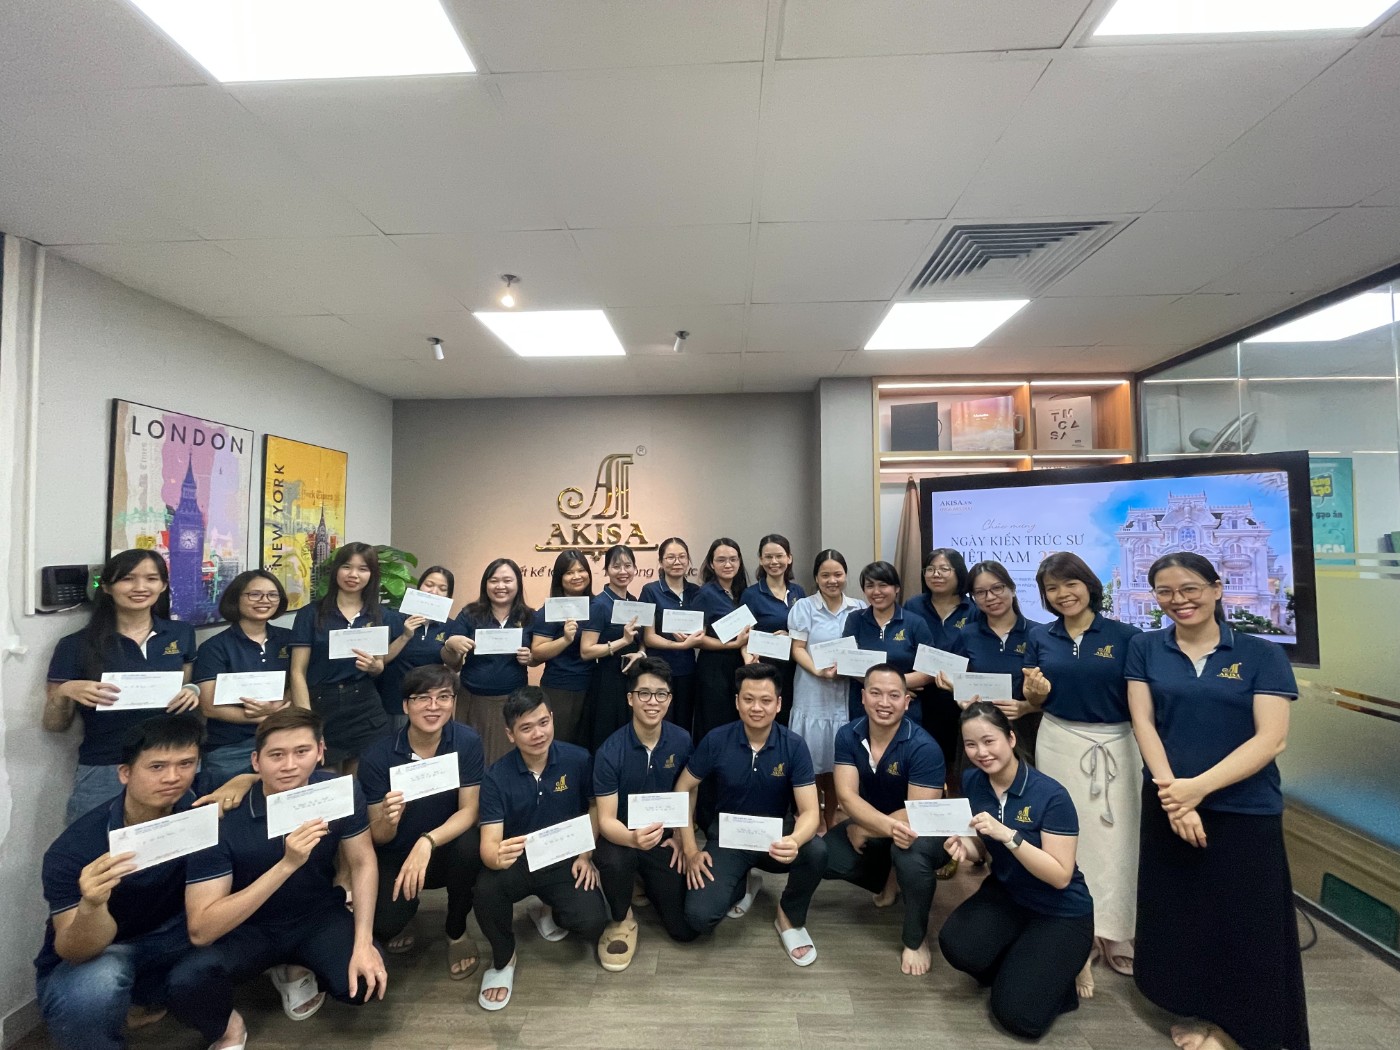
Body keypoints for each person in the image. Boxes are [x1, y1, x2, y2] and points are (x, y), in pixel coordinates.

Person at [1126, 552, 1308, 1050]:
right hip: (1168, 802)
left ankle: (1240, 1027)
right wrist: (1174, 796)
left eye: (1189, 588)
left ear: (1216, 588)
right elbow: (1144, 722)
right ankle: (1196, 1010)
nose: (1178, 600)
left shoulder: (1261, 653)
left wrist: (1197, 789)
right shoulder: (1145, 647)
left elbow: (1271, 739)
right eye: (1165, 592)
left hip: (1243, 809)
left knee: (1246, 922)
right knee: (1183, 915)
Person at [35, 715, 250, 1050]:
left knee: (232, 934)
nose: (173, 777)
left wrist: (244, 781)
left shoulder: (197, 799)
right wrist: (92, 905)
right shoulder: (75, 849)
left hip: (176, 935)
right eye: (156, 767)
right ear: (125, 773)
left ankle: (215, 1018)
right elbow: (74, 951)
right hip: (104, 950)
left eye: (185, 764)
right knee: (91, 988)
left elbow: (269, 774)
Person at [184, 708, 387, 1026]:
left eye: (302, 752)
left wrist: (363, 942)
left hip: (316, 916)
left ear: (321, 751)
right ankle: (235, 1017)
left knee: (364, 984)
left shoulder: (338, 791)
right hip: (248, 927)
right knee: (187, 979)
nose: (290, 765)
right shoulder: (223, 816)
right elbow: (201, 931)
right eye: (276, 755)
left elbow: (362, 862)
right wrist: (286, 865)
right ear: (256, 761)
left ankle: (298, 965)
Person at [1022, 551, 1143, 995]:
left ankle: (1118, 930)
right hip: (1059, 740)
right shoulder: (1042, 636)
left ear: (1089, 585)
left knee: (1119, 837)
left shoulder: (1127, 637)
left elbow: (1140, 699)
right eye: (1052, 588)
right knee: (1066, 837)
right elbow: (1035, 700)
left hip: (1116, 744)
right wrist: (1035, 693)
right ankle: (1081, 929)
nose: (1062, 594)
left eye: (1069, 584)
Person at [938, 703, 1095, 1039]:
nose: (981, 753)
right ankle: (1027, 965)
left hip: (1059, 910)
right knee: (957, 945)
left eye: (989, 741)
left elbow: (1060, 876)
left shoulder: (1051, 795)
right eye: (971, 745)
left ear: (1010, 738)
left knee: (1018, 1017)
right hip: (1009, 895)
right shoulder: (973, 780)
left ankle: (1063, 972)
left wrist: (1010, 836)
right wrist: (966, 848)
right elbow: (983, 847)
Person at [675, 663, 827, 967]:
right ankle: (744, 883)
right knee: (699, 917)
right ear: (737, 701)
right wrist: (690, 849)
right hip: (728, 839)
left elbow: (810, 811)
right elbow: (683, 788)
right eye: (748, 699)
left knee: (817, 851)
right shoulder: (717, 740)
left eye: (765, 700)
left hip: (776, 840)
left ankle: (789, 917)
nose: (756, 707)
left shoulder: (794, 746)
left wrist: (795, 840)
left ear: (779, 704)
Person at [474, 687, 609, 1011]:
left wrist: (586, 854)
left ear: (552, 719)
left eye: (543, 722)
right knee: (486, 890)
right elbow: (489, 843)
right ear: (510, 734)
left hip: (565, 857)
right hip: (520, 860)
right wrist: (495, 856)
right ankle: (503, 960)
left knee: (592, 923)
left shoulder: (578, 759)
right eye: (526, 728)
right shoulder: (495, 776)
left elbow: (594, 807)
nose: (538, 734)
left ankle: (546, 909)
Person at [44, 549, 200, 824]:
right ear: (107, 587)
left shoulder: (181, 633)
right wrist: (65, 691)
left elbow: (186, 685)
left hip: (173, 761)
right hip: (107, 764)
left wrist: (192, 692)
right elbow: (54, 725)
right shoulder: (75, 645)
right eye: (128, 579)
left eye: (151, 578)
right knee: (98, 842)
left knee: (175, 839)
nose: (140, 587)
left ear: (163, 585)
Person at [357, 664, 484, 978]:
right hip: (397, 854)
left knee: (471, 846)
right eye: (422, 698)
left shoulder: (467, 741)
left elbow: (469, 811)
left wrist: (427, 842)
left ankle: (456, 931)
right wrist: (388, 820)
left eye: (443, 697)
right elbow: (378, 837)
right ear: (405, 705)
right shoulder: (377, 757)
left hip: (445, 848)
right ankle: (405, 914)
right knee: (385, 924)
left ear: (453, 702)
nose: (433, 706)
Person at [825, 665, 948, 976]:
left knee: (910, 855)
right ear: (863, 697)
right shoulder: (848, 734)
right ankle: (888, 879)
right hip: (883, 822)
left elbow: (919, 811)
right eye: (876, 693)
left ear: (907, 702)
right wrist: (876, 827)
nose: (884, 702)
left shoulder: (924, 747)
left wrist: (867, 829)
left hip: (925, 832)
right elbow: (847, 797)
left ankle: (915, 939)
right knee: (823, 855)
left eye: (894, 695)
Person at [592, 657, 699, 971]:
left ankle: (640, 880)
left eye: (661, 694)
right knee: (614, 860)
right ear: (630, 699)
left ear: (670, 699)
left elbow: (689, 791)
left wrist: (681, 835)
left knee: (685, 929)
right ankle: (621, 917)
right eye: (644, 694)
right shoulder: (610, 751)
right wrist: (632, 839)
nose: (653, 702)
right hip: (621, 837)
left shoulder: (681, 740)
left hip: (661, 838)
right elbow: (605, 819)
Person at [289, 542, 403, 772]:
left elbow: (379, 664)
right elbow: (297, 672)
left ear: (372, 575)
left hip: (364, 705)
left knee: (363, 780)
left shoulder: (381, 616)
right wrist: (307, 722)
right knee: (324, 781)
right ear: (336, 570)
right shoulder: (310, 614)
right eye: (347, 567)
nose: (353, 575)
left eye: (363, 569)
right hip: (321, 704)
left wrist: (375, 667)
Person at [788, 548, 866, 832]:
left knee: (838, 760)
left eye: (838, 574)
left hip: (845, 693)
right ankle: (813, 817)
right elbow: (797, 648)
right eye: (825, 575)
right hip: (813, 691)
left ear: (845, 575)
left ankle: (832, 817)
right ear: (816, 578)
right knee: (811, 758)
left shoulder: (859, 608)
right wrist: (818, 671)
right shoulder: (804, 607)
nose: (832, 580)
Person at [194, 570, 293, 783]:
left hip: (283, 739)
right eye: (254, 594)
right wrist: (265, 717)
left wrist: (278, 708)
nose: (264, 600)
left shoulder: (289, 639)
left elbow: (298, 681)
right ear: (236, 598)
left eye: (272, 595)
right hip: (231, 746)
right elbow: (209, 706)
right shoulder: (214, 647)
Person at [945, 560, 1045, 761]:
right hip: (979, 732)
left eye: (997, 588)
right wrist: (959, 696)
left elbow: (1054, 691)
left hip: (1025, 732)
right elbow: (958, 679)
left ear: (1012, 589)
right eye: (980, 592)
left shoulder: (1038, 633)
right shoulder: (967, 635)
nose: (990, 597)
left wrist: (1026, 706)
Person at [445, 558, 535, 765]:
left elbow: (538, 653)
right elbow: (451, 661)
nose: (500, 586)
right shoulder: (470, 614)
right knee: (471, 757)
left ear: (518, 583)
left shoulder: (529, 616)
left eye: (507, 580)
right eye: (494, 580)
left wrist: (531, 658)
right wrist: (451, 644)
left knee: (508, 759)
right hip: (473, 698)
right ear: (485, 584)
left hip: (512, 700)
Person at [903, 547, 976, 782]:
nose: (936, 574)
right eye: (930, 569)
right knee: (921, 763)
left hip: (959, 699)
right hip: (921, 698)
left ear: (959, 573)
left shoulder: (973, 610)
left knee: (958, 767)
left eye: (944, 569)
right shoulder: (913, 606)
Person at [840, 561, 934, 721]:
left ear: (896, 588)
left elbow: (930, 670)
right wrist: (894, 688)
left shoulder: (915, 623)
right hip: (864, 708)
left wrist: (892, 689)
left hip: (905, 709)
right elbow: (849, 665)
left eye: (883, 585)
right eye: (870, 586)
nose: (876, 591)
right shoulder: (855, 620)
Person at [377, 566, 464, 731]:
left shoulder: (450, 626)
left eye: (442, 589)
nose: (434, 592)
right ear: (419, 587)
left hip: (433, 704)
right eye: (429, 585)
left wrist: (452, 648)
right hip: (396, 702)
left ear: (448, 596)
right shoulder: (394, 618)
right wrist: (405, 636)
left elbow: (455, 667)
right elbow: (380, 661)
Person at [578, 544, 646, 751]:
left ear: (635, 569)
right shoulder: (599, 604)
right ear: (606, 570)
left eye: (628, 565)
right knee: (607, 738)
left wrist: (641, 652)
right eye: (616, 566)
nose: (623, 571)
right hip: (607, 681)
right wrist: (623, 641)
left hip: (632, 678)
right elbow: (586, 651)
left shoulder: (634, 601)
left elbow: (641, 639)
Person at [640, 537, 705, 736]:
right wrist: (680, 645)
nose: (677, 562)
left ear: (688, 561)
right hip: (658, 670)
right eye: (670, 557)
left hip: (687, 670)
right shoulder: (650, 591)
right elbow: (648, 637)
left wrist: (697, 636)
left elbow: (703, 627)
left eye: (682, 557)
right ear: (661, 561)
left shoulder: (696, 592)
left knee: (684, 724)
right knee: (658, 722)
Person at [530, 550, 595, 745]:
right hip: (560, 688)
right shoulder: (551, 610)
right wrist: (565, 639)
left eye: (581, 570)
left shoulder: (597, 605)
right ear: (559, 577)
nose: (577, 576)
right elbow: (537, 652)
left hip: (594, 685)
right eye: (569, 572)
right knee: (560, 744)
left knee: (589, 743)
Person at [691, 537, 752, 743]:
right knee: (715, 724)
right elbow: (697, 639)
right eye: (721, 560)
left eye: (733, 559)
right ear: (711, 563)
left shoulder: (742, 592)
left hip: (739, 666)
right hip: (714, 669)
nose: (728, 565)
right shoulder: (705, 594)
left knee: (737, 723)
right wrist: (733, 644)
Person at [741, 533, 805, 723]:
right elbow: (743, 636)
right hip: (764, 671)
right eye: (768, 557)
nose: (774, 562)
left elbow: (805, 630)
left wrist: (790, 635)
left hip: (794, 670)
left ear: (789, 558)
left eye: (779, 556)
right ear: (761, 560)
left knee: (788, 720)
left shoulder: (798, 592)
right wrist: (748, 660)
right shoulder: (751, 594)